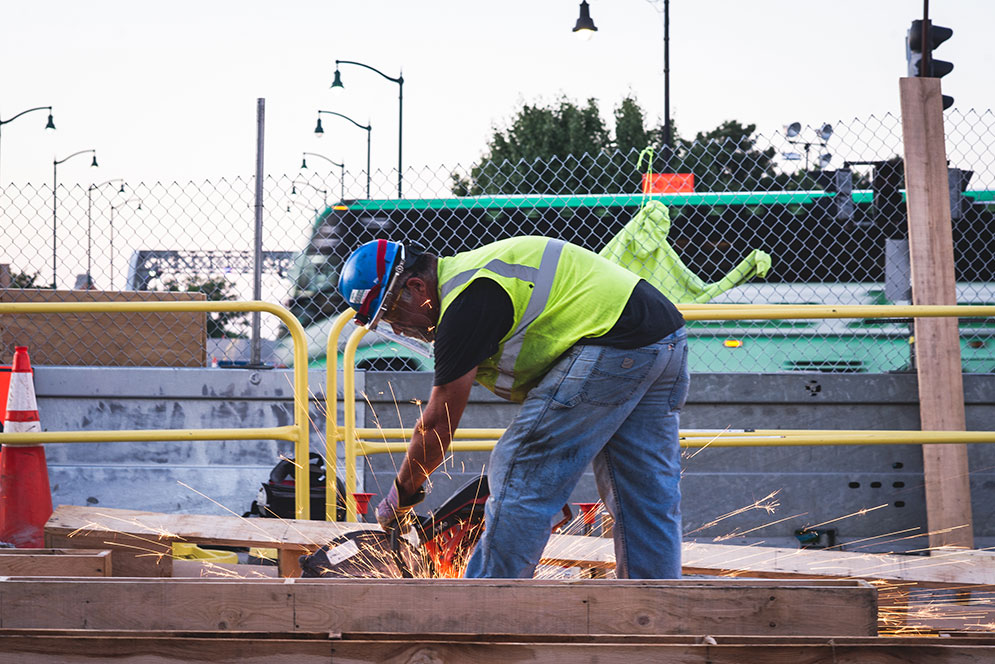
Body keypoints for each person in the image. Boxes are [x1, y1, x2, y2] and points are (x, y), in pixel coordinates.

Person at [337, 236, 689, 579]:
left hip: (618, 341)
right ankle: (654, 610)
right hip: (663, 337)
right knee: (644, 493)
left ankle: (485, 606)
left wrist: (401, 495)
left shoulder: (466, 302)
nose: (398, 327)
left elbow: (437, 425)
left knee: (520, 468)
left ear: (416, 287)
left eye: (392, 313)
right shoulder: (472, 279)